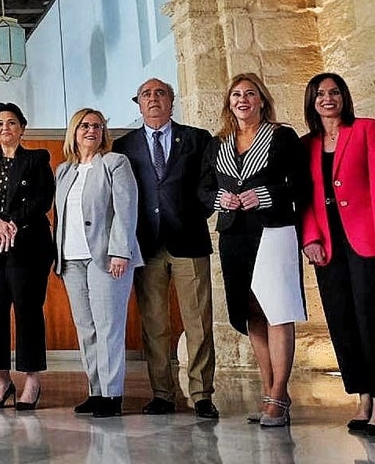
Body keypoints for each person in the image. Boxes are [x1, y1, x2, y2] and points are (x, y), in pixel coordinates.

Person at [199, 73, 310, 427]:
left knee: (276, 309)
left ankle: (279, 394)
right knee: (252, 313)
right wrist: (221, 198)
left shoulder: (282, 136)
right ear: (228, 103)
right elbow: (202, 191)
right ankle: (269, 390)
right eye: (236, 94)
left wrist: (263, 195)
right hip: (234, 234)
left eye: (250, 94)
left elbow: (300, 184)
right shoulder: (218, 144)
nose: (243, 99)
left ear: (262, 100)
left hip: (273, 230)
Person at [112, 78, 219, 419]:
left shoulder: (197, 138)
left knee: (198, 320)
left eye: (160, 93)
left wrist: (193, 213)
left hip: (189, 240)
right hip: (146, 244)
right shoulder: (123, 145)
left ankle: (201, 394)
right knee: (155, 322)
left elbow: (208, 185)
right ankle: (162, 393)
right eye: (146, 94)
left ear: (172, 102)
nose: (154, 99)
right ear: (138, 104)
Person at [54, 108, 143, 419]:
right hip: (71, 259)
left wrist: (121, 251)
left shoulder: (115, 163)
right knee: (86, 328)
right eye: (84, 126)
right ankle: (95, 390)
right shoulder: (64, 171)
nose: (91, 130)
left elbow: (126, 209)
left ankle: (112, 393)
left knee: (108, 327)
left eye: (97, 126)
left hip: (106, 257)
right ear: (74, 133)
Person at [300, 72, 375, 432]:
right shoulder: (307, 145)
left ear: (343, 96)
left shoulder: (365, 130)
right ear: (312, 102)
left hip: (365, 239)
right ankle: (363, 399)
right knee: (342, 319)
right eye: (320, 94)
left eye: (333, 92)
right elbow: (305, 200)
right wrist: (310, 238)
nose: (327, 99)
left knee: (370, 316)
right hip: (327, 244)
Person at [0, 103, 55, 410]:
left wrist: (13, 222)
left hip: (28, 246)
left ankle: (32, 379)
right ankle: (2, 381)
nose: (5, 128)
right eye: (0, 123)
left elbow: (43, 198)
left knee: (28, 311)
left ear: (22, 128)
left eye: (12, 123)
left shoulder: (37, 158)